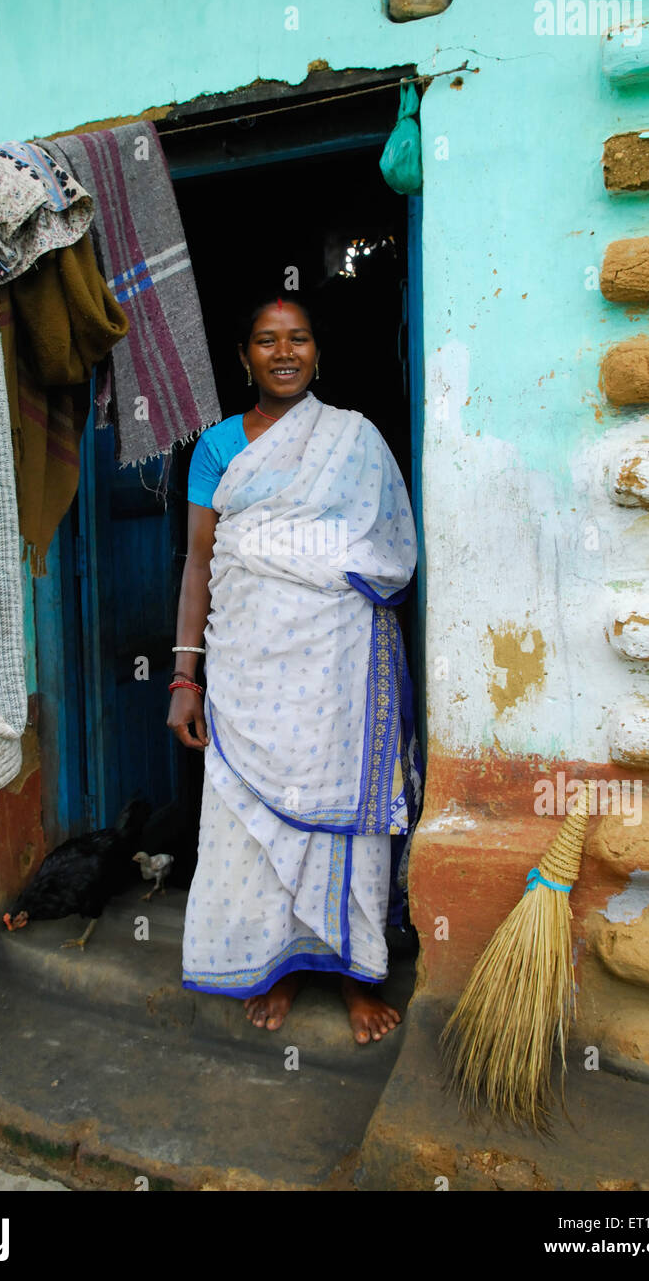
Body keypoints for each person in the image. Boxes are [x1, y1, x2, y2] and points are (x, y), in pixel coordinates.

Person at [167, 295, 422, 1044]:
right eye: (267, 341)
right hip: (248, 668)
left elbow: (385, 551)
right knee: (249, 820)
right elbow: (202, 562)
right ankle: (276, 966)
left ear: (317, 352)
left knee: (342, 811)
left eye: (299, 339)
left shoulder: (355, 440)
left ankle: (351, 974)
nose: (284, 353)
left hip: (337, 666)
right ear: (243, 356)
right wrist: (186, 677)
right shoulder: (215, 447)